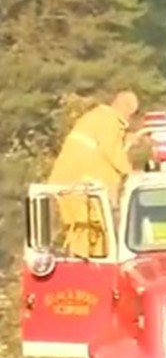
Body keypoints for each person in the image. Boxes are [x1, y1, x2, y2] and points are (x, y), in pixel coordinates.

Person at [47, 91, 141, 257]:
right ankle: (86, 263)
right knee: (85, 228)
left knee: (92, 228)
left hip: (79, 184)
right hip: (78, 185)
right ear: (126, 108)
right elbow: (111, 151)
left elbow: (104, 150)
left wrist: (126, 140)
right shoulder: (108, 120)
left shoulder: (98, 119)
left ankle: (92, 259)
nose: (130, 118)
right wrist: (131, 173)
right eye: (132, 113)